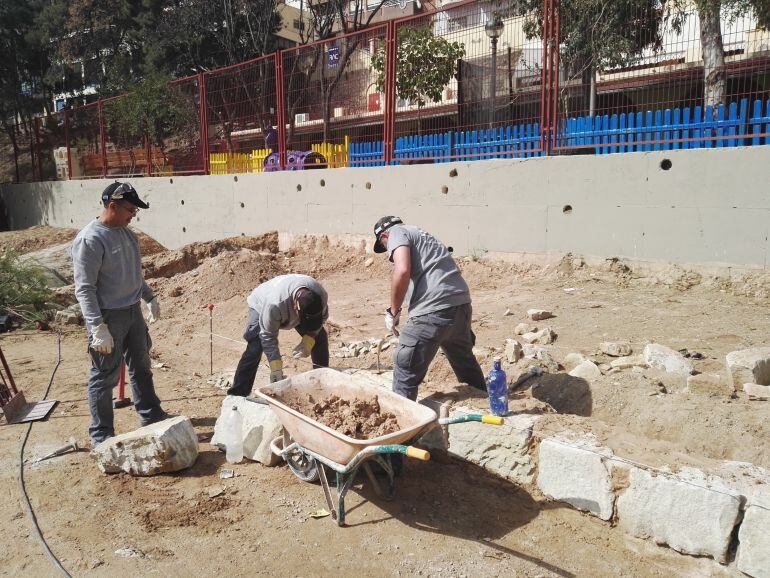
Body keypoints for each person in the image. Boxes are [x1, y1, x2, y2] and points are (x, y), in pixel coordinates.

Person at [71, 182, 169, 446]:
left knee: (142, 365)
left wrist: (149, 297)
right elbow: (84, 289)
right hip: (107, 316)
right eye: (130, 209)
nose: (133, 214)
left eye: (135, 210)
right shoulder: (90, 240)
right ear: (111, 206)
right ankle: (102, 434)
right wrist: (97, 328)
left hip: (132, 311)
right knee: (104, 376)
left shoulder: (127, 234)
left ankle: (151, 415)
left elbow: (134, 273)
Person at [373, 216, 486, 401]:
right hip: (460, 306)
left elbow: (402, 270)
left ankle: (404, 424)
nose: (388, 252)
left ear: (384, 235)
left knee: (405, 366)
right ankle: (484, 403)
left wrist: (393, 311)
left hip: (432, 309)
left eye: (384, 246)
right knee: (464, 362)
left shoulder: (397, 233)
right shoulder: (423, 236)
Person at [227, 274, 329, 397]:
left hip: (288, 303)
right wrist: (276, 367)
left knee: (320, 337)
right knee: (256, 346)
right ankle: (238, 394)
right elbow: (267, 336)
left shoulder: (320, 295)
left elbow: (322, 318)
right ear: (296, 307)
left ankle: (322, 381)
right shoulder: (274, 304)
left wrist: (310, 338)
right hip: (261, 305)